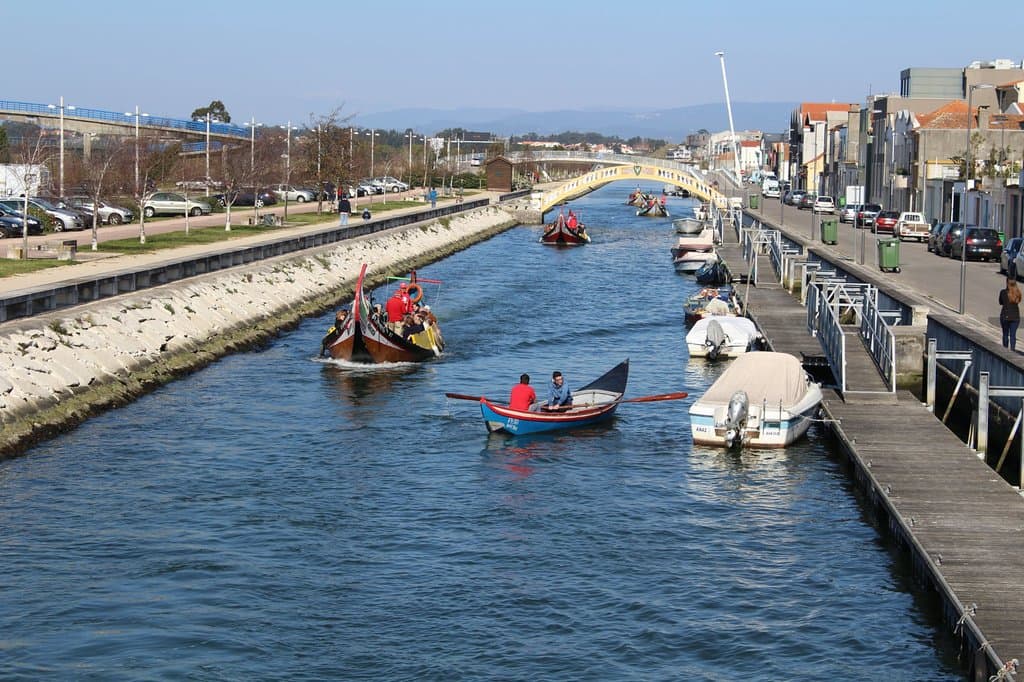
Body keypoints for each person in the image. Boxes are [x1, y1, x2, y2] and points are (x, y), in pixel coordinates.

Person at [999, 277, 1022, 350]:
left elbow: (1000, 302)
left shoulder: (1003, 292)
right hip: (1015, 317)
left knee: (1005, 334)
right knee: (1013, 335)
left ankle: (1005, 349)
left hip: (1005, 315)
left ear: (1007, 283)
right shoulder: (1018, 292)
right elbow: (1018, 301)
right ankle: (1012, 350)